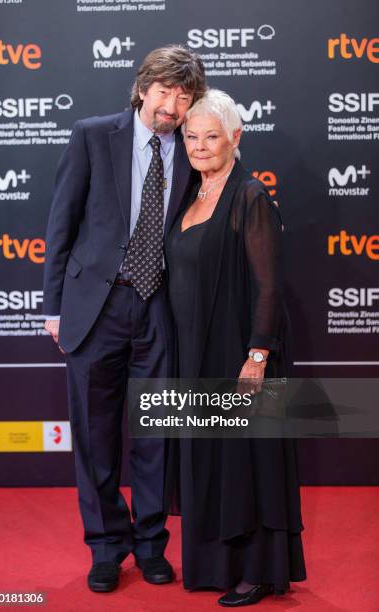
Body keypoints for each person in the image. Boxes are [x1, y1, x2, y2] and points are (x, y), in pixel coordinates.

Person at [42, 45, 206, 593]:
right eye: (164, 91)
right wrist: (53, 308)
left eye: (184, 97)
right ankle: (107, 547)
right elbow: (61, 224)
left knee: (157, 432)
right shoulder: (92, 134)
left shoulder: (191, 146)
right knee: (95, 433)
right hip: (95, 306)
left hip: (160, 307)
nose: (172, 106)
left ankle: (151, 543)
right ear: (142, 89)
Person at [165, 89, 306, 606]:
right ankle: (214, 566)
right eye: (191, 136)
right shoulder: (187, 195)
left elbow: (270, 285)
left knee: (245, 461)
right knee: (208, 461)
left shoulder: (249, 196)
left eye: (212, 137)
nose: (200, 146)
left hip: (238, 352)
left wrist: (258, 355)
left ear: (235, 139)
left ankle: (258, 571)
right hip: (192, 351)